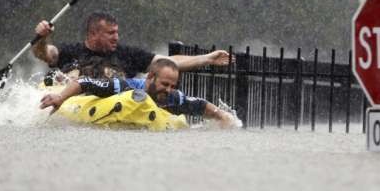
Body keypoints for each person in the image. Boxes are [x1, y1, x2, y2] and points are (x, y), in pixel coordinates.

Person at [39, 58, 237, 128]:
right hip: (93, 103)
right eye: (164, 84)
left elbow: (201, 105)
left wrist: (223, 116)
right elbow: (84, 82)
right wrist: (60, 98)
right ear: (150, 77)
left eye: (172, 85)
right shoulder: (124, 86)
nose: (168, 90)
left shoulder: (172, 97)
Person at [33, 11, 231, 78]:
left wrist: (207, 58)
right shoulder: (70, 51)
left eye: (117, 32)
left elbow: (168, 62)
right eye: (110, 33)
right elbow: (44, 53)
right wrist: (41, 37)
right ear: (93, 34)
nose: (116, 37)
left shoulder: (128, 54)